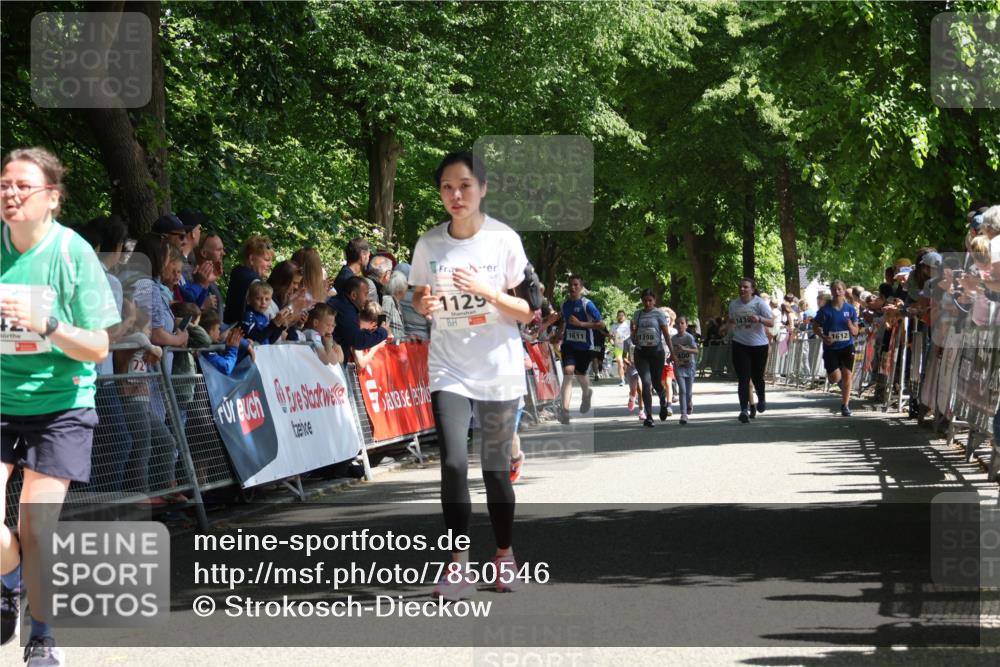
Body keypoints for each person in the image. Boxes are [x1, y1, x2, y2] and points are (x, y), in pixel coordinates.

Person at [1, 147, 121, 665]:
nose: (10, 193)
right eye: (4, 183)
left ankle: (43, 637)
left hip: (62, 405)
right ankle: (11, 582)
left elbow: (100, 347)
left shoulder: (71, 253)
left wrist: (45, 325)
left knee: (36, 527)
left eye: (23, 185)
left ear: (52, 197)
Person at [410, 151, 534, 601]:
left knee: (496, 471)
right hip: (449, 367)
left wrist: (487, 291)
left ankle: (504, 555)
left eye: (464, 185)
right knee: (453, 464)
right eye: (446, 187)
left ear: (482, 189)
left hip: (498, 369)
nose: (455, 195)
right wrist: (422, 305)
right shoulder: (429, 244)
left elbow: (527, 311)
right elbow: (420, 296)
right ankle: (457, 566)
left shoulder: (504, 241)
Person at [723, 277, 774, 423]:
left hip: (759, 345)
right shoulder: (734, 304)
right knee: (743, 379)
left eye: (746, 287)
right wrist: (725, 329)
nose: (742, 289)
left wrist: (759, 318)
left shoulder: (759, 303)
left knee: (757, 378)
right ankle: (743, 410)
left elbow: (771, 322)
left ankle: (762, 398)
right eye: (740, 287)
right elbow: (732, 321)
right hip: (740, 344)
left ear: (752, 289)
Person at [555, 275, 602, 424]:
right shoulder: (565, 305)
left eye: (576, 285)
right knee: (568, 372)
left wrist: (581, 324)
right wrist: (559, 333)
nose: (572, 287)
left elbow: (600, 324)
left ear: (581, 288)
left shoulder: (587, 304)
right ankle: (565, 411)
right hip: (568, 345)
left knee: (581, 373)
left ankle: (586, 394)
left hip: (584, 346)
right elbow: (563, 320)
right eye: (571, 285)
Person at [812, 279, 860, 417]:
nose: (837, 292)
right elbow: (815, 326)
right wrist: (823, 336)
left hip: (847, 346)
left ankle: (845, 405)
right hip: (831, 348)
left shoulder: (850, 309)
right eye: (834, 289)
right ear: (831, 292)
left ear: (844, 290)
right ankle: (840, 383)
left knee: (847, 376)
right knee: (834, 378)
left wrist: (851, 327)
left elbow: (856, 331)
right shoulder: (825, 310)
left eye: (839, 289)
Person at [630, 289, 675, 427]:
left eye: (650, 300)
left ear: (654, 301)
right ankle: (649, 416)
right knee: (646, 382)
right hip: (641, 352)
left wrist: (672, 352)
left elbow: (666, 335)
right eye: (645, 300)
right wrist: (634, 336)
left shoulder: (659, 314)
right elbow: (633, 334)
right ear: (642, 301)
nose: (647, 303)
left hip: (656, 352)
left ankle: (663, 402)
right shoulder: (637, 314)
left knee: (656, 383)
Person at [329, 275, 389, 359]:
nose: (367, 299)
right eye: (365, 294)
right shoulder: (346, 310)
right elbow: (358, 340)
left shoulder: (344, 305)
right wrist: (382, 332)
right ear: (354, 295)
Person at [223, 234, 273, 325]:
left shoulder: (238, 272)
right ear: (251, 259)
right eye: (266, 260)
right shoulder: (253, 281)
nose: (270, 264)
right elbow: (271, 314)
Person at [671, 315, 699, 425]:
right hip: (679, 367)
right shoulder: (673, 339)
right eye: (677, 323)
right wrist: (671, 358)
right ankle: (683, 414)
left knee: (689, 391)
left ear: (686, 325)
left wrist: (685, 348)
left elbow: (696, 351)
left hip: (689, 366)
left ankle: (689, 402)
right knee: (682, 390)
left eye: (682, 323)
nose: (680, 325)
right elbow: (673, 352)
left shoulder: (689, 337)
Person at [382, 270, 408, 341]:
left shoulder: (396, 303)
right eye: (406, 286)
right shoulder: (387, 300)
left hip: (394, 346)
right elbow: (382, 324)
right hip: (388, 348)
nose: (407, 289)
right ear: (400, 289)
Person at [611, 309, 631, 386]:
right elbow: (610, 337)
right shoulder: (614, 326)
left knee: (626, 363)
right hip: (618, 346)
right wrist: (612, 341)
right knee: (619, 362)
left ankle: (626, 373)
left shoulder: (629, 323)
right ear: (617, 317)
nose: (621, 317)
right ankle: (622, 380)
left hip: (627, 345)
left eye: (622, 315)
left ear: (625, 316)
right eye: (619, 315)